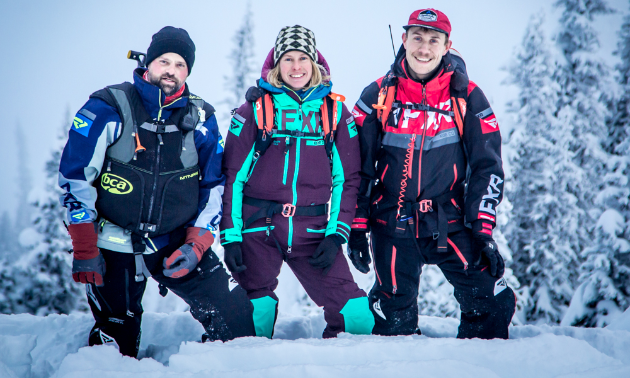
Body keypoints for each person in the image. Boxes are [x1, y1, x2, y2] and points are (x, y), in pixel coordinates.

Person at [59, 26, 255, 358]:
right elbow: (76, 177)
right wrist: (84, 242)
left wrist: (197, 244)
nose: (172, 71)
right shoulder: (109, 106)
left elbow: (215, 185)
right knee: (116, 341)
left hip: (175, 240)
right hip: (113, 241)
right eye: (164, 61)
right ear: (148, 63)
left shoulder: (202, 117)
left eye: (181, 65)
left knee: (238, 321)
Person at [348, 9, 515, 339]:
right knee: (392, 323)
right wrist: (356, 225)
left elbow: (488, 167)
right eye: (418, 37)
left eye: (433, 40)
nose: (424, 48)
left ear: (447, 45)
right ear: (404, 38)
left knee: (492, 300)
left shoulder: (467, 96)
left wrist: (482, 227)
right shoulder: (378, 95)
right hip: (392, 223)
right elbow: (357, 167)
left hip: (449, 222)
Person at [220, 25, 375, 338]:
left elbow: (347, 182)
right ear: (277, 64)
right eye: (287, 58)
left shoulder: (335, 112)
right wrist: (231, 236)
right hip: (258, 228)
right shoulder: (254, 110)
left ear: (314, 63)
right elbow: (232, 179)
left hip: (313, 232)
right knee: (251, 321)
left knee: (356, 318)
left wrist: (337, 236)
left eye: (303, 58)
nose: (295, 66)